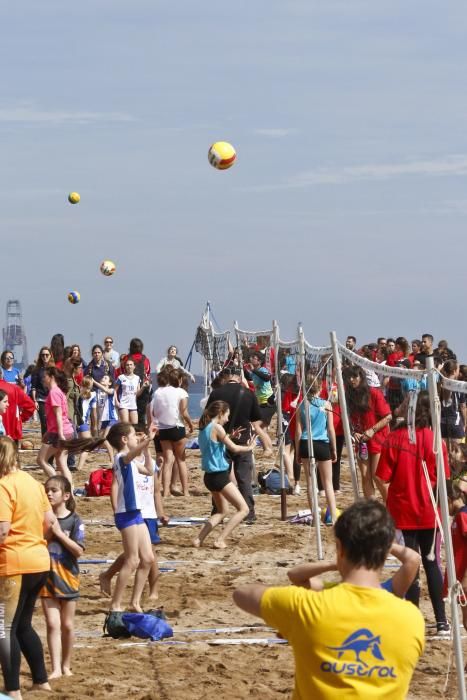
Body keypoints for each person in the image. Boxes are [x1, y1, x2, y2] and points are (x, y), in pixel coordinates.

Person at [233, 500, 424, 699]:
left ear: (340, 548)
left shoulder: (304, 606)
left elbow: (241, 594)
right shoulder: (412, 619)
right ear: (385, 553)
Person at [376, 391, 450, 635]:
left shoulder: (395, 438)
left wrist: (390, 501)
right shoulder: (436, 440)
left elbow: (380, 476)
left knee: (412, 566)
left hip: (404, 512)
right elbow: (445, 481)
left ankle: (414, 620)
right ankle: (442, 622)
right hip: (430, 512)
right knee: (431, 564)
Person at [0, 437, 53, 698]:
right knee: (23, 625)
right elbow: (49, 522)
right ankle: (41, 681)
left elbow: (2, 530)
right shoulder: (32, 483)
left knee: (3, 628)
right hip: (39, 560)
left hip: (14, 562)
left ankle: (12, 689)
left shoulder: (3, 485)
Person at [99, 449, 169, 602]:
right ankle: (149, 591)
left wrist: (160, 512)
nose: (138, 439)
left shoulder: (148, 461)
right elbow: (115, 485)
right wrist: (116, 508)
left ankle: (150, 590)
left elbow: (156, 490)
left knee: (146, 553)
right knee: (139, 554)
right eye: (135, 436)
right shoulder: (125, 460)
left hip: (148, 512)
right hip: (132, 511)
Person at [106, 423, 157, 612]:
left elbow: (150, 471)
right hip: (126, 513)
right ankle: (115, 604)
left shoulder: (133, 460)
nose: (138, 437)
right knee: (132, 560)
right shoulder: (120, 458)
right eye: (134, 435)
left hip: (136, 512)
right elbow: (130, 455)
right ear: (124, 440)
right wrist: (147, 441)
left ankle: (135, 602)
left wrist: (148, 447)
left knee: (148, 558)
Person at [206, 366, 263, 525]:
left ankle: (217, 510)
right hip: (243, 437)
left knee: (220, 475)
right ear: (239, 378)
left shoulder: (217, 393)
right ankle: (249, 512)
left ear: (228, 377)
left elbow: (208, 415)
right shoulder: (249, 394)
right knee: (244, 477)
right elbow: (256, 418)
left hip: (221, 437)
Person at [40, 476, 84, 679]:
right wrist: (49, 531)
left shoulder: (74, 520)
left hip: (68, 578)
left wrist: (59, 532)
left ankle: (66, 665)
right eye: (47, 490)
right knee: (52, 624)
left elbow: (78, 551)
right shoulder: (42, 519)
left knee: (67, 625)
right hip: (47, 578)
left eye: (54, 490)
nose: (49, 493)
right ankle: (56, 668)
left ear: (66, 495)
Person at [193, 401, 253, 549]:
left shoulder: (204, 428)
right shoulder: (217, 427)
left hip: (209, 476)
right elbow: (234, 449)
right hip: (219, 476)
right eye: (227, 415)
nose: (227, 419)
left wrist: (230, 436)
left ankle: (198, 539)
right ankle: (220, 540)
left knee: (222, 511)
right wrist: (250, 447)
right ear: (220, 414)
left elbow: (215, 444)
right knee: (244, 509)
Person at [287, 541, 421, 598]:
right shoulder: (332, 589)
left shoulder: (387, 590)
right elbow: (294, 575)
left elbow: (414, 559)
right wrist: (333, 564)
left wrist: (382, 541)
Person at [295, 371, 339, 525]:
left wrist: (298, 451)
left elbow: (298, 431)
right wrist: (334, 449)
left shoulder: (302, 404)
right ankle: (333, 517)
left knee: (310, 482)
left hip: (307, 443)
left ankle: (316, 518)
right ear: (320, 387)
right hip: (322, 443)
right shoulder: (326, 404)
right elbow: (331, 430)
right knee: (328, 483)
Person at [342, 365, 391, 499]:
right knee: (365, 476)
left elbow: (388, 416)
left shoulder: (374, 393)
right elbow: (349, 420)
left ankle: (391, 508)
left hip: (378, 439)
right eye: (349, 377)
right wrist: (353, 433)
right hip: (362, 441)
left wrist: (373, 430)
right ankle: (372, 511)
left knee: (378, 477)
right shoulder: (348, 396)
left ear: (361, 377)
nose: (352, 380)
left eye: (355, 376)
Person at [148, 368, 193, 498]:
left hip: (163, 429)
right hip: (177, 427)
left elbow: (154, 412)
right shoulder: (181, 392)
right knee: (181, 460)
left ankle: (166, 492)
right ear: (179, 380)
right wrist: (190, 424)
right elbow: (183, 412)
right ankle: (185, 491)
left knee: (168, 461)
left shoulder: (158, 392)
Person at [36, 367, 75, 484]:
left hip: (60, 432)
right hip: (66, 430)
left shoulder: (54, 392)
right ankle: (70, 490)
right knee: (61, 462)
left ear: (51, 377)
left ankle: (59, 485)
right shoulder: (59, 392)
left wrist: (60, 434)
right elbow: (64, 413)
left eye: (45, 376)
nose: (43, 379)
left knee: (41, 460)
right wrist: (48, 432)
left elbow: (59, 415)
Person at [243, 351, 274, 455]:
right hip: (262, 403)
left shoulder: (262, 370)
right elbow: (248, 377)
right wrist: (241, 366)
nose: (251, 359)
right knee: (262, 428)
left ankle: (268, 449)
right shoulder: (255, 372)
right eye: (251, 357)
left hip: (269, 403)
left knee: (255, 425)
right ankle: (267, 449)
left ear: (259, 361)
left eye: (254, 358)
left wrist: (253, 370)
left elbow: (267, 377)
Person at [446, 481, 467, 631]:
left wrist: (466, 578)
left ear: (449, 499)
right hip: (459, 577)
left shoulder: (463, 517)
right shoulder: (459, 516)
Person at [122, 338, 152, 430]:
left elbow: (122, 371)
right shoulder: (145, 359)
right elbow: (148, 372)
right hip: (143, 388)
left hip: (128, 389)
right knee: (141, 413)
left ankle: (129, 431)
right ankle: (141, 431)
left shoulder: (126, 358)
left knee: (129, 412)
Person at [0, 378, 35, 443]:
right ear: (1, 375)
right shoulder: (13, 388)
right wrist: (21, 418)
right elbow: (30, 405)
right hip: (12, 431)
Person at [31, 346, 55, 435]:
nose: (45, 357)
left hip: (53, 399)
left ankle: (52, 443)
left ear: (50, 356)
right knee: (44, 422)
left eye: (46, 355)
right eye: (43, 355)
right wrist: (34, 401)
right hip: (41, 400)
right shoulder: (36, 371)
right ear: (40, 357)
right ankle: (45, 443)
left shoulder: (54, 370)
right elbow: (34, 387)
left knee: (52, 422)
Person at [115, 358, 144, 425]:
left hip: (133, 404)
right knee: (125, 425)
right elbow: (115, 390)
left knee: (135, 425)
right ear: (125, 367)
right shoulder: (121, 377)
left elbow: (138, 393)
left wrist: (143, 387)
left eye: (131, 365)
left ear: (134, 366)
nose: (129, 366)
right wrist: (116, 401)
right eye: (127, 365)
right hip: (123, 404)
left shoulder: (137, 378)